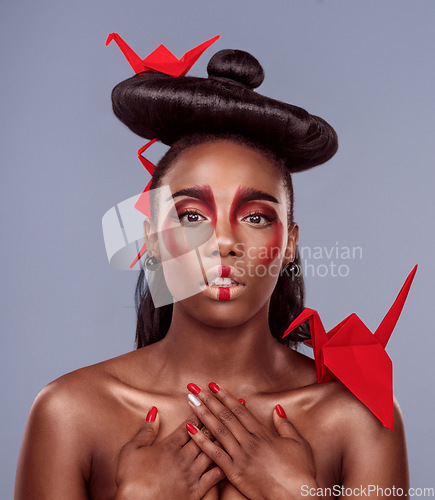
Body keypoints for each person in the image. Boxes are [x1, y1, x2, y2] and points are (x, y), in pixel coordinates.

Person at [15, 34, 411, 499]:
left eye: (257, 217)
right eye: (192, 216)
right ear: (151, 240)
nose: (223, 241)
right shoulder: (70, 413)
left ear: (290, 245)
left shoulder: (360, 418)